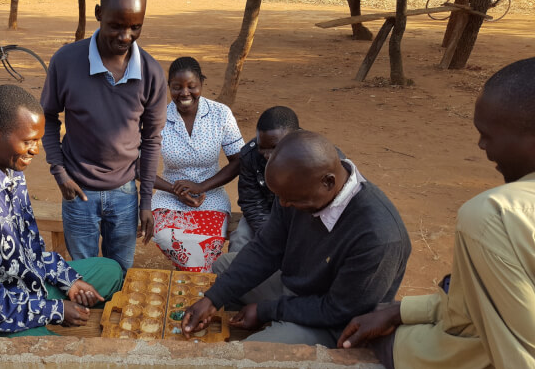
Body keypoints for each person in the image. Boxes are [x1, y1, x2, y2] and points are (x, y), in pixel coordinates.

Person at [338, 58, 535, 369]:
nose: (480, 145)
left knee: (387, 344)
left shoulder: (494, 216)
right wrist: (402, 310)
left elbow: (524, 361)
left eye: (489, 134)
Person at [182, 130, 411, 347]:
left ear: (328, 182)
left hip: (333, 322)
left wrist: (265, 310)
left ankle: (268, 339)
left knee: (249, 355)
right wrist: (212, 299)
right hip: (296, 288)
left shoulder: (377, 237)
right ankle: (255, 330)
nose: (283, 205)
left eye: (292, 200)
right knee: (223, 268)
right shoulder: (298, 188)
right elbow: (265, 248)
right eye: (280, 197)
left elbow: (338, 310)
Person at [0, 85, 124, 337]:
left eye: (37, 140)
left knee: (111, 271)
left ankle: (43, 314)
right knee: (59, 358)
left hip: (23, 286)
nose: (35, 150)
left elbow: (30, 251)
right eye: (28, 141)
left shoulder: (10, 168)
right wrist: (53, 310)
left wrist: (69, 281)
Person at [40, 0, 167, 270]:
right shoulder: (66, 61)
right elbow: (48, 117)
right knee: (84, 277)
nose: (125, 36)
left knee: (119, 275)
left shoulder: (151, 73)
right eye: (116, 26)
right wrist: (59, 172)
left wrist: (145, 202)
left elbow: (151, 141)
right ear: (99, 13)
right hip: (78, 191)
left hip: (125, 194)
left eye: (135, 27)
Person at [151, 56, 244, 272]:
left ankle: (195, 282)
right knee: (166, 235)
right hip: (169, 197)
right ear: (169, 87)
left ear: (201, 84)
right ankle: (199, 281)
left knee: (207, 246)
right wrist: (174, 190)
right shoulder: (157, 118)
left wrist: (202, 186)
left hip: (210, 196)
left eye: (192, 86)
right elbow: (137, 165)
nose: (184, 93)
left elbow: (239, 161)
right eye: (177, 87)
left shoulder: (220, 114)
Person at [228, 106, 299, 253]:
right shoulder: (250, 155)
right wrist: (271, 235)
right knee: (240, 240)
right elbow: (251, 202)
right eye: (262, 148)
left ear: (295, 137)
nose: (267, 155)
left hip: (303, 217)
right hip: (263, 214)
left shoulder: (315, 154)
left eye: (274, 147)